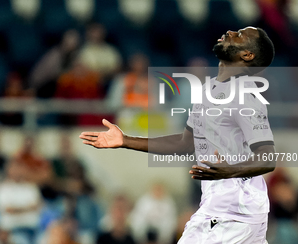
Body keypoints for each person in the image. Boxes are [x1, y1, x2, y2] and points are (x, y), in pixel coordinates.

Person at [80, 26, 276, 243]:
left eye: (240, 36)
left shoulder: (245, 96)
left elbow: (267, 156)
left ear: (247, 55)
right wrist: (125, 140)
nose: (230, 32)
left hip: (232, 215)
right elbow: (185, 143)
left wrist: (228, 170)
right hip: (231, 211)